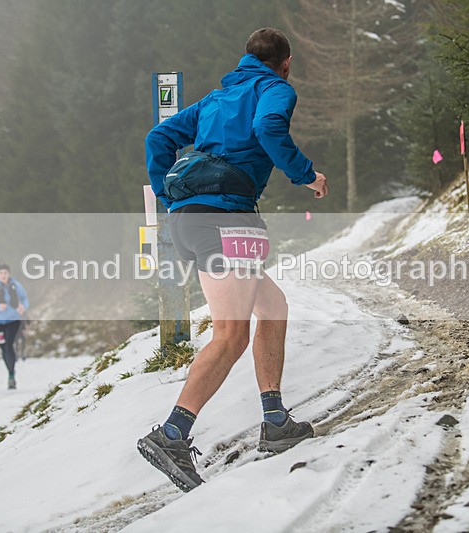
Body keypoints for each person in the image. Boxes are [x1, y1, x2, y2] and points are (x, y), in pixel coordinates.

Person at [138, 28, 329, 492]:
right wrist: (306, 176)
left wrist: (169, 195)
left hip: (193, 221)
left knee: (273, 307)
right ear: (286, 61)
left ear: (247, 59)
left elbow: (159, 137)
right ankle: (171, 435)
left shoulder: (216, 99)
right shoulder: (276, 89)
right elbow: (267, 128)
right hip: (227, 222)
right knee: (230, 334)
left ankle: (275, 419)